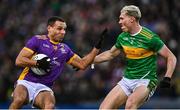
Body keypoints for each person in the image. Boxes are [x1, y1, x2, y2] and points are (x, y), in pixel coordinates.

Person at [9, 16, 107, 109]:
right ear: (49, 28)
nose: (63, 32)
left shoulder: (65, 49)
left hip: (44, 87)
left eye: (64, 29)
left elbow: (82, 64)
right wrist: (37, 63)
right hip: (26, 82)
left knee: (49, 106)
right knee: (18, 100)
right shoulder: (37, 40)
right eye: (59, 29)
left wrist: (96, 47)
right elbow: (19, 60)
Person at [93, 5, 177, 109]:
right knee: (104, 108)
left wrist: (167, 77)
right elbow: (110, 54)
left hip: (146, 80)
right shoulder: (122, 37)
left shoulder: (150, 38)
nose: (119, 22)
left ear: (132, 19)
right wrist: (89, 60)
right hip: (127, 79)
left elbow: (171, 57)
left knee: (130, 104)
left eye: (122, 18)